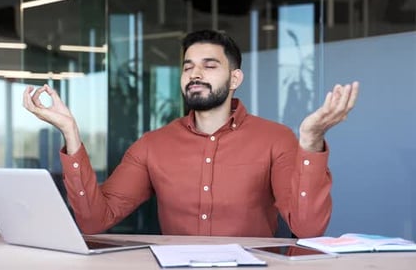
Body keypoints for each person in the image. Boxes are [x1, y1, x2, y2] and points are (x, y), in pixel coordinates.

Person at [23, 30, 359, 238]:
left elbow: (308, 229)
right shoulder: (152, 145)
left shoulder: (277, 139)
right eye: (188, 66)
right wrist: (70, 132)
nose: (195, 73)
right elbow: (95, 220)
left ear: (236, 79)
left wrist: (312, 141)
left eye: (210, 65)